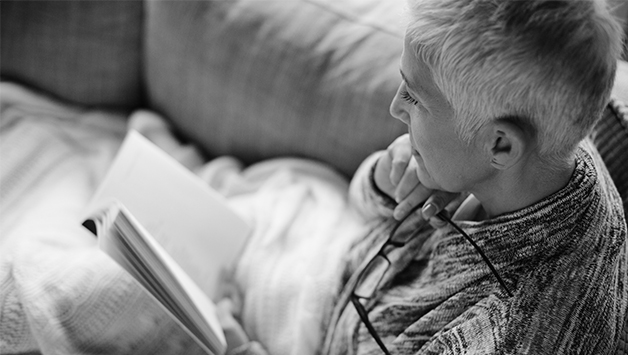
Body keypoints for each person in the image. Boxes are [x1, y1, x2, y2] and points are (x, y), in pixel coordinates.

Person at [216, 0, 627, 354]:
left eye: (414, 96)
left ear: (500, 145)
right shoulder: (538, 157)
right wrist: (387, 177)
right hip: (329, 267)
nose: (396, 107)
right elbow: (371, 210)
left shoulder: (509, 332)